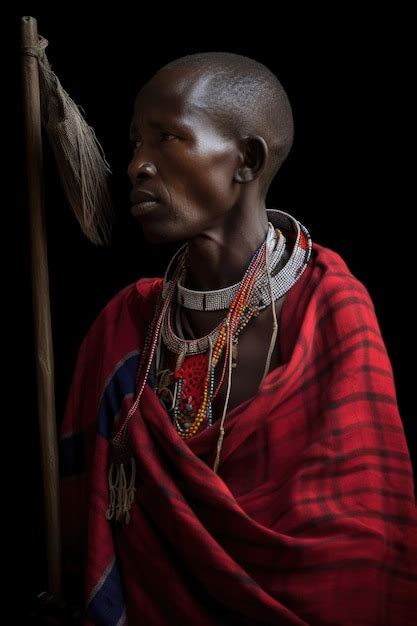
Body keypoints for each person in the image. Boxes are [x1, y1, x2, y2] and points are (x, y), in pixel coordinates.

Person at [59, 52, 416, 625]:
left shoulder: (327, 306)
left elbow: (358, 548)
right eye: (134, 144)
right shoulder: (127, 324)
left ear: (246, 160)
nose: (136, 167)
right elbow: (80, 529)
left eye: (168, 138)